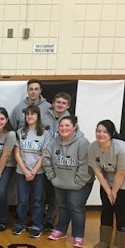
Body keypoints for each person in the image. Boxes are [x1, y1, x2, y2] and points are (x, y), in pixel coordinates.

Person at [89, 120, 125, 248]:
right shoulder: (93, 147)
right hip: (109, 177)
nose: (101, 134)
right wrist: (108, 191)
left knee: (120, 209)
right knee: (106, 208)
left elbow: (121, 173)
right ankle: (104, 241)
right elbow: (98, 172)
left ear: (112, 134)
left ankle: (119, 245)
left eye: (105, 132)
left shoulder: (122, 148)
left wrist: (114, 192)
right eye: (98, 131)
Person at [44, 116, 93, 248]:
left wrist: (78, 182)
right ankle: (61, 230)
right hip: (60, 181)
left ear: (74, 127)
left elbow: (85, 165)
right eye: (61, 126)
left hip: (80, 183)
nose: (64, 128)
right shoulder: (53, 142)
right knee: (63, 206)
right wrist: (53, 178)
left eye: (67, 125)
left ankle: (78, 236)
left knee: (76, 207)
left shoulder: (82, 143)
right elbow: (47, 160)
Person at [12, 105, 50, 238]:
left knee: (38, 200)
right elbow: (17, 154)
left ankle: (37, 225)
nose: (30, 116)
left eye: (33, 114)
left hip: (38, 173)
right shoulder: (20, 132)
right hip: (22, 171)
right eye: (27, 114)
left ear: (38, 116)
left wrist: (33, 171)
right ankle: (20, 224)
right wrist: (25, 171)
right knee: (22, 200)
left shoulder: (44, 134)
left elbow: (43, 155)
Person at [40, 92, 72, 231]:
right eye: (58, 102)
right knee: (39, 191)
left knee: (55, 193)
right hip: (42, 159)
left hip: (59, 161)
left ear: (68, 106)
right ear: (53, 103)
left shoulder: (70, 121)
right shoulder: (43, 116)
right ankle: (37, 217)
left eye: (63, 103)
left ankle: (49, 220)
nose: (60, 105)